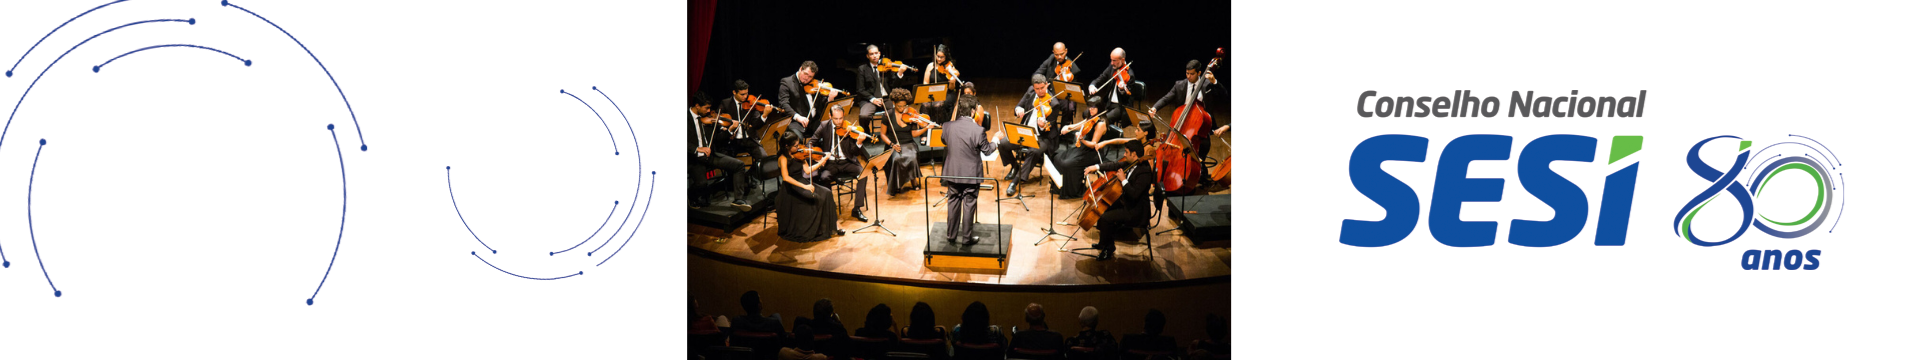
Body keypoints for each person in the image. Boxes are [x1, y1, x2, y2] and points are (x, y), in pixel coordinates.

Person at [1149, 59, 1230, 182]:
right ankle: (1165, 175)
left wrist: (1214, 82)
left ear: (1199, 73)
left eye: (1192, 74)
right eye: (1187, 73)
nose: (1189, 76)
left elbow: (1224, 96)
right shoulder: (1179, 85)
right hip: (1180, 123)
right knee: (1168, 147)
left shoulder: (1207, 84)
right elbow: (1166, 98)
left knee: (1202, 147)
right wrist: (1155, 107)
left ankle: (1200, 173)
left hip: (1200, 126)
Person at [940, 95, 1004, 245]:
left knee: (953, 202)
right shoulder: (978, 130)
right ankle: (967, 238)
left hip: (952, 172)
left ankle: (951, 235)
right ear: (973, 111)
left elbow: (944, 140)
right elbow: (987, 151)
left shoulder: (947, 126)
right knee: (969, 204)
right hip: (971, 175)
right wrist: (995, 140)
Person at [999, 74, 1072, 196]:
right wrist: (1018, 110)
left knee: (1034, 152)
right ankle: (1015, 166)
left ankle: (1015, 182)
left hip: (1044, 137)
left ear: (1046, 85)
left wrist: (1042, 126)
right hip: (1026, 131)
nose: (1040, 91)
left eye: (1042, 88)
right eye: (1037, 89)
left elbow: (1049, 127)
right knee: (1002, 144)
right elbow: (1019, 105)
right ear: (1033, 87)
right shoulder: (1030, 92)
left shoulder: (1054, 103)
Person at [1083, 140, 1153, 260]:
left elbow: (1135, 195)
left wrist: (1123, 180)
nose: (1124, 155)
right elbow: (1114, 165)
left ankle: (1109, 248)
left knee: (1106, 218)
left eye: (1126, 152)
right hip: (1127, 202)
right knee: (1102, 207)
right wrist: (1095, 167)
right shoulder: (1131, 163)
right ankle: (1103, 243)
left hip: (1136, 211)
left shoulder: (1144, 172)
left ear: (1134, 154)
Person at [776, 132, 844, 242]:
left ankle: (834, 223)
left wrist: (822, 161)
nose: (799, 148)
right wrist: (805, 186)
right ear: (787, 146)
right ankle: (816, 229)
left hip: (803, 182)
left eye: (798, 145)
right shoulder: (783, 158)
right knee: (815, 197)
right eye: (796, 146)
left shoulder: (799, 155)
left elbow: (807, 170)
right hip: (791, 187)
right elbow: (786, 178)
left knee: (827, 192)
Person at [689, 92, 751, 211]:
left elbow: (717, 139)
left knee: (739, 165)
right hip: (693, 158)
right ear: (697, 106)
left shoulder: (708, 120)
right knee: (702, 183)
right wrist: (697, 148)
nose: (709, 112)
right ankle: (691, 195)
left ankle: (738, 200)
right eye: (706, 108)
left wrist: (729, 131)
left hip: (710, 155)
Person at [812, 105, 873, 222]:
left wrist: (859, 143)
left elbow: (854, 152)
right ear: (830, 117)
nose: (839, 122)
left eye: (841, 118)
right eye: (836, 119)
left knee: (863, 174)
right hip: (831, 163)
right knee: (824, 177)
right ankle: (830, 207)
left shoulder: (849, 128)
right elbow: (811, 142)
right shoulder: (824, 126)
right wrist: (818, 156)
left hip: (847, 161)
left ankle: (856, 209)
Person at [884, 88, 928, 196]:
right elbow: (882, 134)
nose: (902, 108)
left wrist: (926, 128)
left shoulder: (910, 114)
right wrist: (892, 145)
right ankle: (897, 184)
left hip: (909, 143)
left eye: (904, 106)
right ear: (894, 103)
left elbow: (914, 134)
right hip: (894, 144)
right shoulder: (888, 115)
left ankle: (913, 180)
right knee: (896, 159)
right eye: (899, 106)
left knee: (912, 157)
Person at [780, 61, 838, 140]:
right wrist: (798, 117)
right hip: (796, 122)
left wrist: (830, 98)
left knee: (829, 136)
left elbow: (821, 104)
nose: (807, 78)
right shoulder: (787, 82)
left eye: (810, 76)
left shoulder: (815, 84)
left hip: (814, 121)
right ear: (800, 69)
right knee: (796, 140)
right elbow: (784, 103)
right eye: (805, 74)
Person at [857, 44, 910, 120]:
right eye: (871, 54)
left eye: (876, 53)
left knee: (899, 112)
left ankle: (890, 131)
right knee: (864, 116)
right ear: (867, 56)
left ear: (879, 53)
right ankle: (867, 132)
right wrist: (873, 99)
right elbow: (860, 89)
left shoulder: (887, 66)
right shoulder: (862, 69)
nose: (875, 56)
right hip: (870, 100)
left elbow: (894, 86)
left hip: (887, 98)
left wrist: (900, 73)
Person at [1034, 42, 1081, 123]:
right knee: (1044, 104)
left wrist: (1066, 78)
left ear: (1066, 51)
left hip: (1064, 94)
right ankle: (1049, 128)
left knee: (1068, 108)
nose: (1059, 57)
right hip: (1051, 92)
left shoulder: (1074, 68)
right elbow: (1037, 73)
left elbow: (1073, 89)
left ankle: (1064, 129)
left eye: (1062, 54)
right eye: (1056, 54)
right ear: (1053, 52)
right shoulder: (1051, 59)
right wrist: (1042, 83)